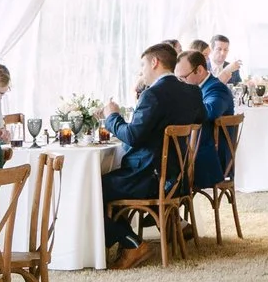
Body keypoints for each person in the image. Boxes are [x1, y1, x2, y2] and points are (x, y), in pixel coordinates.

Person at [101, 42, 208, 258]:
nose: (142, 72)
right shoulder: (192, 92)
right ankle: (161, 227)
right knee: (105, 184)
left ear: (154, 62)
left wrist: (111, 116)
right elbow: (200, 118)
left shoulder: (153, 95)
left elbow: (132, 135)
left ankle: (131, 243)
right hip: (177, 178)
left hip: (150, 178)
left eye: (143, 66)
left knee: (93, 189)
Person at [180, 50, 236, 189]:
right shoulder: (202, 87)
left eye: (183, 78)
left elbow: (210, 112)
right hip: (200, 151)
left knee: (163, 168)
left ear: (199, 70)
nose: (181, 83)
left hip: (213, 160)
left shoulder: (217, 88)